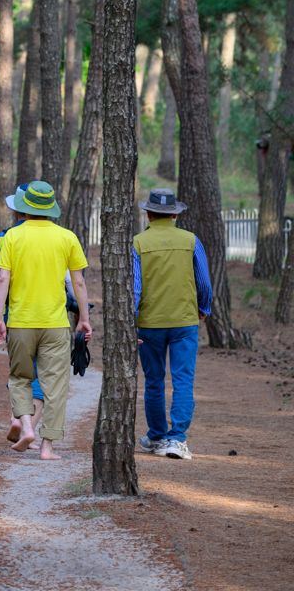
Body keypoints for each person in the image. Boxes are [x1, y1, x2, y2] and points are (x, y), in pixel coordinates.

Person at [0, 180, 92, 460]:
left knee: (20, 378)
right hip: (56, 322)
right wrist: (84, 318)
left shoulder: (11, 237)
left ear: (25, 206)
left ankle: (26, 427)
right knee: (56, 385)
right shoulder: (67, 237)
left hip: (21, 322)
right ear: (50, 208)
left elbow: (3, 278)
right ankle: (47, 448)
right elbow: (79, 282)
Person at [0, 213, 78, 444]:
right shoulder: (60, 236)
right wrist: (80, 309)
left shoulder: (6, 237)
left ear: (20, 210)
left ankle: (18, 419)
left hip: (16, 316)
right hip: (52, 318)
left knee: (20, 372)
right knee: (44, 374)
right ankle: (30, 428)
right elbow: (69, 279)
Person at [133, 188, 212, 461]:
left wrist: (132, 319)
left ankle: (156, 435)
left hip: (149, 323)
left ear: (148, 213)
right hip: (184, 321)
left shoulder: (138, 243)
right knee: (182, 380)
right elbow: (203, 280)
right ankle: (177, 439)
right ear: (175, 214)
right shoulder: (191, 241)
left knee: (153, 380)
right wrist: (204, 307)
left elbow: (135, 287)